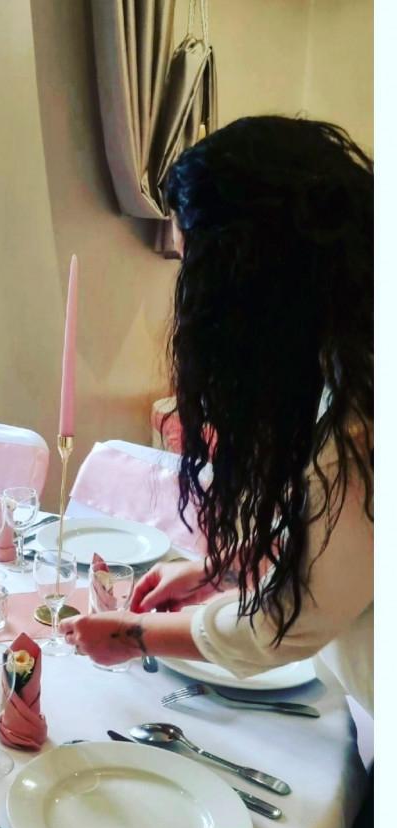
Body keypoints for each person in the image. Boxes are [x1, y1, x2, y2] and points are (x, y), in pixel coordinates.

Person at [58, 116, 373, 715]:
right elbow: (347, 545)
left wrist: (131, 636)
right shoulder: (351, 355)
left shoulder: (358, 421)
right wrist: (224, 564)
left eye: (191, 267)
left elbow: (282, 627)